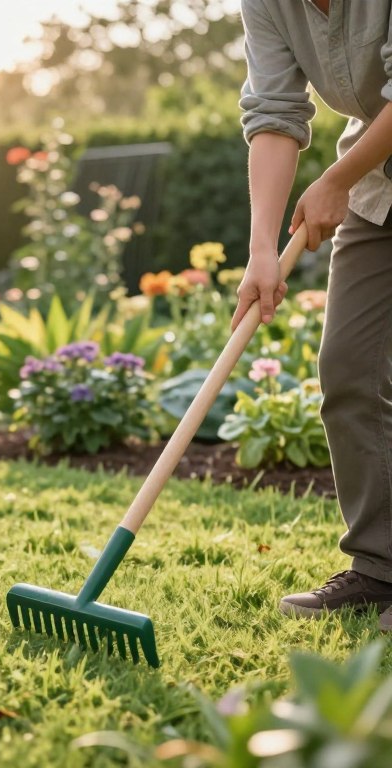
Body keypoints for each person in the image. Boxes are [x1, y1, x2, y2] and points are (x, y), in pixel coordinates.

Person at [236, 0, 392, 629]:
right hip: (377, 181)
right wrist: (261, 252)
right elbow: (274, 114)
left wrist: (336, 178)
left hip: (358, 171)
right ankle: (381, 570)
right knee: (349, 369)